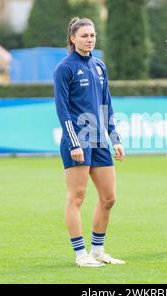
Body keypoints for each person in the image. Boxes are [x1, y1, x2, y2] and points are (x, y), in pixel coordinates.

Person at [54, 17, 126, 267]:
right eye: (84, 35)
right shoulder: (65, 68)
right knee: (77, 197)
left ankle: (98, 250)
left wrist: (114, 138)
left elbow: (107, 104)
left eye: (93, 35)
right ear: (73, 39)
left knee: (109, 197)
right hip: (78, 141)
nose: (90, 39)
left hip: (99, 142)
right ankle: (80, 255)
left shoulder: (99, 66)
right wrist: (74, 143)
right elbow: (62, 109)